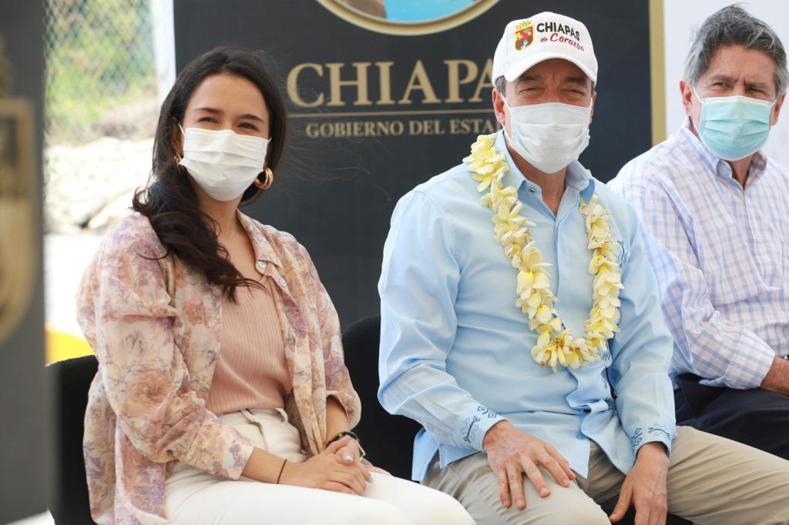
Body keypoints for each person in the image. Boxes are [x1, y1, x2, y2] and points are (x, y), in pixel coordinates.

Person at [378, 11, 789, 525]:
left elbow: (643, 353)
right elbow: (407, 371)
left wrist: (653, 448)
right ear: (500, 103)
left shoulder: (613, 213)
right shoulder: (435, 209)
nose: (553, 103)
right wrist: (493, 432)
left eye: (572, 89)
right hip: (486, 451)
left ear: (592, 104)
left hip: (611, 438)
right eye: (532, 88)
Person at [76, 46, 473, 525]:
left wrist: (336, 447)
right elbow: (155, 413)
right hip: (188, 476)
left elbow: (330, 379)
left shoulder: (285, 253)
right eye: (209, 120)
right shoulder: (137, 248)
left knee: (443, 514)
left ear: (266, 149)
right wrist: (287, 475)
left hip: (296, 455)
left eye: (247, 126)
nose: (228, 136)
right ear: (177, 135)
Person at [609, 5, 789, 460]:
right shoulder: (651, 182)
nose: (738, 99)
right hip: (701, 393)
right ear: (688, 95)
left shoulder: (780, 184)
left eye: (755, 89)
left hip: (777, 387)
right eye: (722, 85)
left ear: (776, 108)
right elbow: (689, 335)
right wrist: (783, 376)